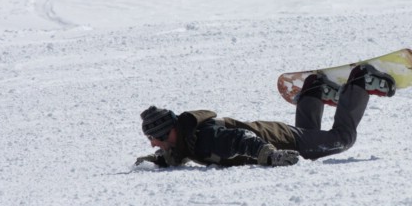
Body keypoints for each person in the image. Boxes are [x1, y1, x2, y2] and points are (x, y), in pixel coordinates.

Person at [135, 65, 396, 168]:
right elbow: (179, 152)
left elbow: (241, 139)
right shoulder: (186, 138)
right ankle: (313, 90)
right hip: (279, 134)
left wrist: (269, 155)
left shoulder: (206, 137)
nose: (152, 143)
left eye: (153, 138)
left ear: (167, 132)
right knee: (312, 138)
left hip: (281, 140)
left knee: (343, 138)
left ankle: (360, 81)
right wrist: (157, 160)